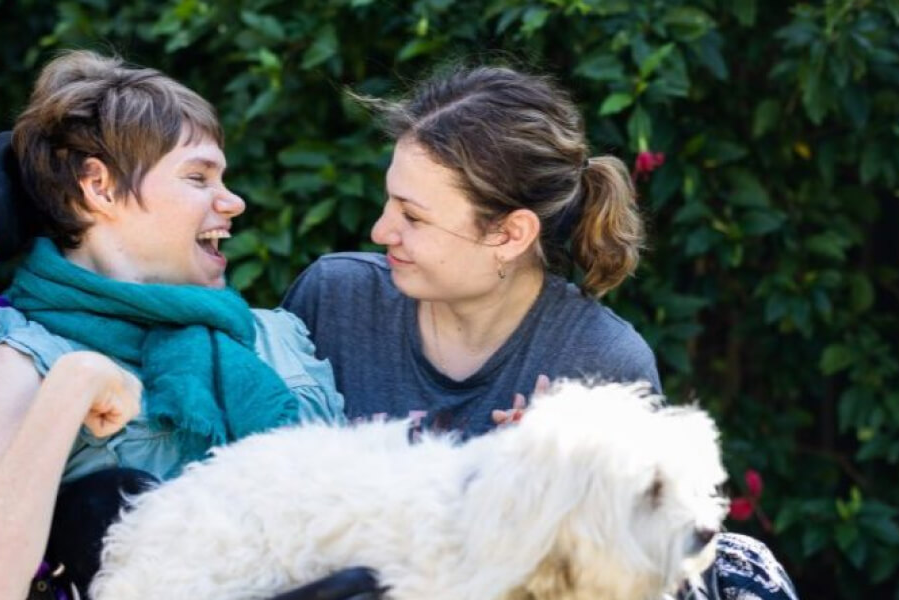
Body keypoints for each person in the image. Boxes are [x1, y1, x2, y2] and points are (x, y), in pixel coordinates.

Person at [282, 65, 798, 599]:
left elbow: (637, 574)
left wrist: (548, 498)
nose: (380, 230)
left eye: (413, 217)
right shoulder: (334, 299)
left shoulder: (601, 366)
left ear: (510, 234)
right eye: (389, 200)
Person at [0, 50, 343, 600]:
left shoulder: (278, 334)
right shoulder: (22, 367)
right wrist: (74, 385)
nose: (233, 202)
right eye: (198, 177)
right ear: (99, 188)